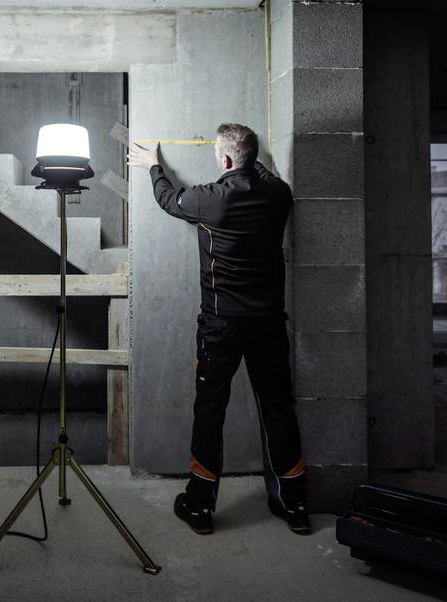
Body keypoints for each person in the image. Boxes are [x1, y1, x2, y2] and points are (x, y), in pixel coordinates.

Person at [128, 123, 310, 535]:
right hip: (267, 325)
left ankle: (199, 508)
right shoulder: (279, 196)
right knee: (278, 407)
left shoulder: (208, 199)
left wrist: (153, 164)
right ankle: (294, 504)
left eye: (216, 153)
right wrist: (249, 161)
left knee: (210, 410)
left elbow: (167, 199)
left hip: (221, 326)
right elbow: (264, 175)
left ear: (224, 160)